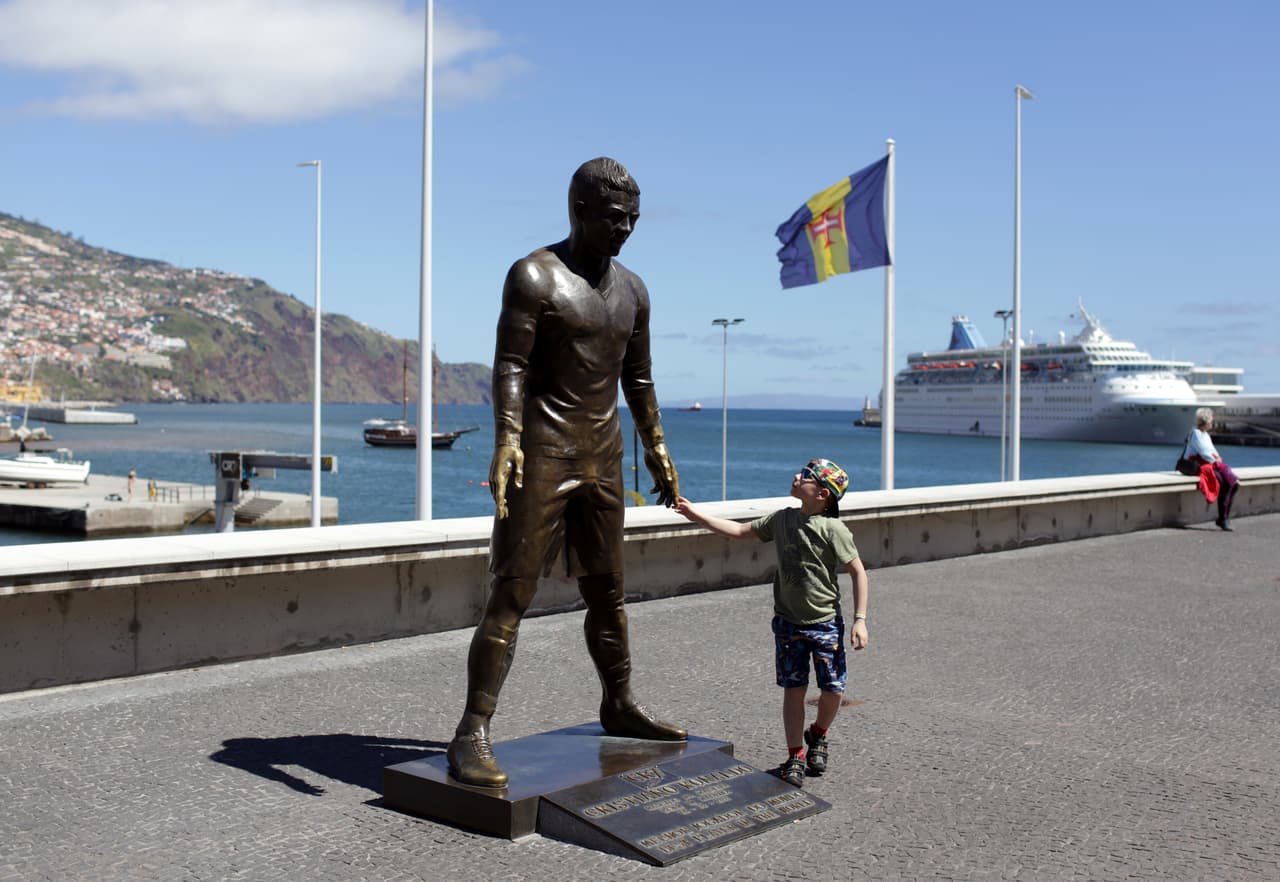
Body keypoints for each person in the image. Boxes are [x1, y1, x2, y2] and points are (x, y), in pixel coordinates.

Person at [446, 157, 683, 789]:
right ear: (577, 210)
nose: (625, 229)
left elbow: (638, 377)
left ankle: (619, 703)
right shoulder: (533, 276)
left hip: (603, 457)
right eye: (613, 217)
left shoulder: (634, 291)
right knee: (511, 592)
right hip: (542, 455)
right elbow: (509, 365)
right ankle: (472, 729)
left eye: (633, 219)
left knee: (608, 592)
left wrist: (655, 444)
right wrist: (506, 439)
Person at [673, 458, 869, 788]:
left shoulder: (834, 529)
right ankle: (796, 755)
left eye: (805, 477)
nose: (796, 476)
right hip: (789, 624)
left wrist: (859, 620)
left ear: (821, 494)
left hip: (824, 624)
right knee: (794, 691)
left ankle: (818, 734)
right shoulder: (781, 520)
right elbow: (738, 531)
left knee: (833, 689)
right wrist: (696, 515)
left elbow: (858, 572)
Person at [1183, 407, 1239, 530]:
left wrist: (1217, 458)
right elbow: (1204, 453)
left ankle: (1223, 517)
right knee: (1227, 483)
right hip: (1200, 466)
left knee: (1233, 483)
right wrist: (1216, 460)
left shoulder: (1205, 435)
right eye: (1211, 420)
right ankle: (1223, 519)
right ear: (1207, 421)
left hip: (1209, 464)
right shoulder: (1196, 433)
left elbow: (1212, 450)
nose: (1213, 423)